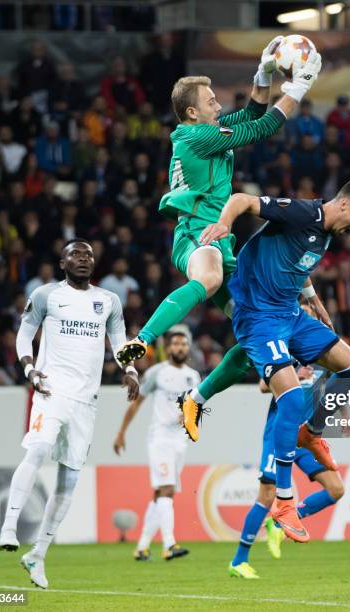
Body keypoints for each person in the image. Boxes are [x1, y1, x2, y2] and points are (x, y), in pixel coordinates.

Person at [117, 40, 323, 426]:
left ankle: (194, 399)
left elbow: (251, 113)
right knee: (208, 279)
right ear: (192, 112)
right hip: (196, 234)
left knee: (254, 332)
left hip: (218, 239)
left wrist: (264, 74)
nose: (218, 104)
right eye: (211, 100)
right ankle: (141, 340)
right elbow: (262, 127)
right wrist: (298, 87)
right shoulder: (196, 136)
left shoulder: (206, 132)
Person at [198, 179, 350, 542]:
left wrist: (314, 299)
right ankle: (283, 501)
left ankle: (311, 434)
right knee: (293, 398)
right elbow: (242, 199)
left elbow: (298, 262)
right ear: (344, 205)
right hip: (260, 317)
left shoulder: (325, 231)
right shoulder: (302, 212)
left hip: (289, 314)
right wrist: (225, 223)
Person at [0, 239, 139, 589]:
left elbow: (119, 341)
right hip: (50, 389)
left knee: (70, 480)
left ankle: (37, 555)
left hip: (86, 401)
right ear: (62, 263)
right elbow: (23, 336)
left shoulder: (108, 301)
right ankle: (9, 526)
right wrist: (30, 370)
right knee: (39, 448)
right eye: (75, 254)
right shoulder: (46, 295)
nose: (83, 259)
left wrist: (131, 371)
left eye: (88, 254)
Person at [230, 362, 345, 579]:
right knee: (267, 495)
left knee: (336, 489)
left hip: (306, 438)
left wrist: (344, 415)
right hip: (280, 436)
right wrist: (296, 375)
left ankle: (280, 523)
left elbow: (337, 385)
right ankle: (239, 561)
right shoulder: (288, 352)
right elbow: (263, 386)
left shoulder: (322, 355)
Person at [113, 329, 200, 561]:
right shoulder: (157, 373)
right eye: (176, 344)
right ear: (169, 348)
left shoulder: (194, 377)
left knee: (160, 493)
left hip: (180, 441)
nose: (180, 347)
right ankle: (169, 544)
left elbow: (196, 407)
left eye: (183, 344)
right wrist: (121, 432)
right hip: (160, 438)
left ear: (188, 348)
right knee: (167, 489)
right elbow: (136, 403)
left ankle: (142, 547)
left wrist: (189, 415)